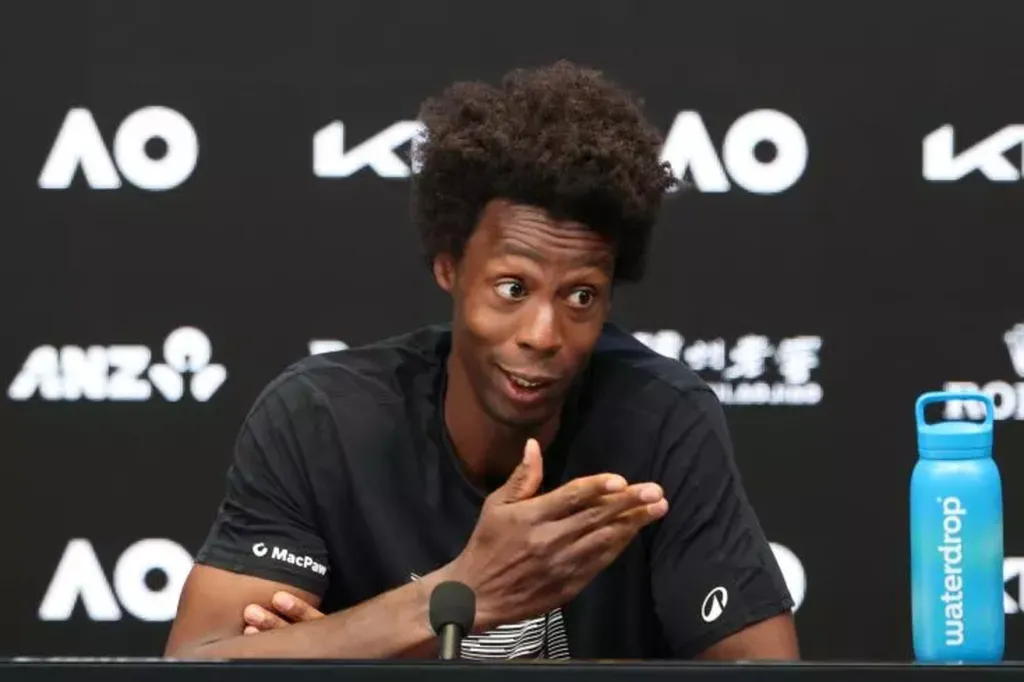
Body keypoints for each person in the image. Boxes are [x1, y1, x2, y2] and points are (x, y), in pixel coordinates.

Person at [164, 60, 799, 661]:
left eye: (581, 296)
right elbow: (198, 663)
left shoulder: (660, 421)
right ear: (449, 268)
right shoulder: (319, 419)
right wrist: (466, 592)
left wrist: (337, 647)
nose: (543, 334)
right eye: (513, 288)